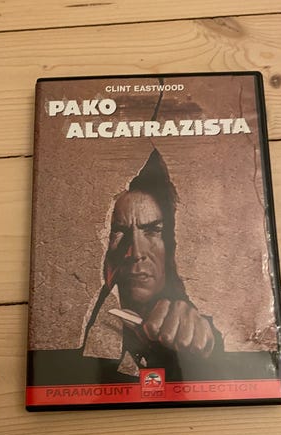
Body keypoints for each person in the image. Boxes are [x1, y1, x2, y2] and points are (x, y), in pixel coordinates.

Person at [83, 149, 223, 376]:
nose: (136, 252)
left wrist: (206, 343)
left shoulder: (202, 330)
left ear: (174, 242)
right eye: (119, 232)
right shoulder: (81, 339)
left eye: (153, 231)